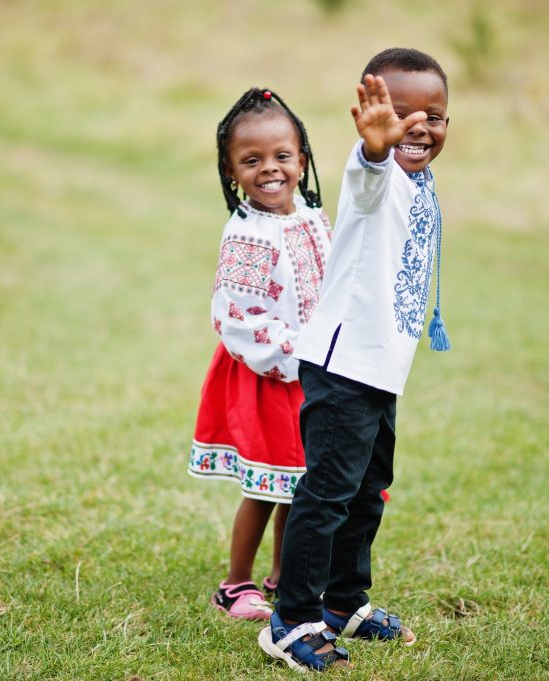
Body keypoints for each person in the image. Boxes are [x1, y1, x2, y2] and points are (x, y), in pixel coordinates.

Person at [258, 48, 452, 671]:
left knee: (368, 493)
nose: (418, 126)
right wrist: (374, 148)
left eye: (436, 115)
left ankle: (344, 602)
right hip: (343, 367)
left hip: (379, 370)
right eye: (401, 113)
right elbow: (368, 176)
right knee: (328, 494)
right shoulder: (376, 173)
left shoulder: (421, 180)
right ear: (373, 115)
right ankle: (290, 620)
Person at [188, 87, 331, 621]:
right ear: (231, 173)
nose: (269, 169)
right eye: (251, 161)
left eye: (282, 156)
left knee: (300, 482)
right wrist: (297, 358)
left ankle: (283, 574)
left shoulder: (311, 215)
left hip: (313, 369)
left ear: (303, 158)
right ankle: (235, 583)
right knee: (266, 484)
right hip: (268, 371)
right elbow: (239, 319)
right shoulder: (248, 234)